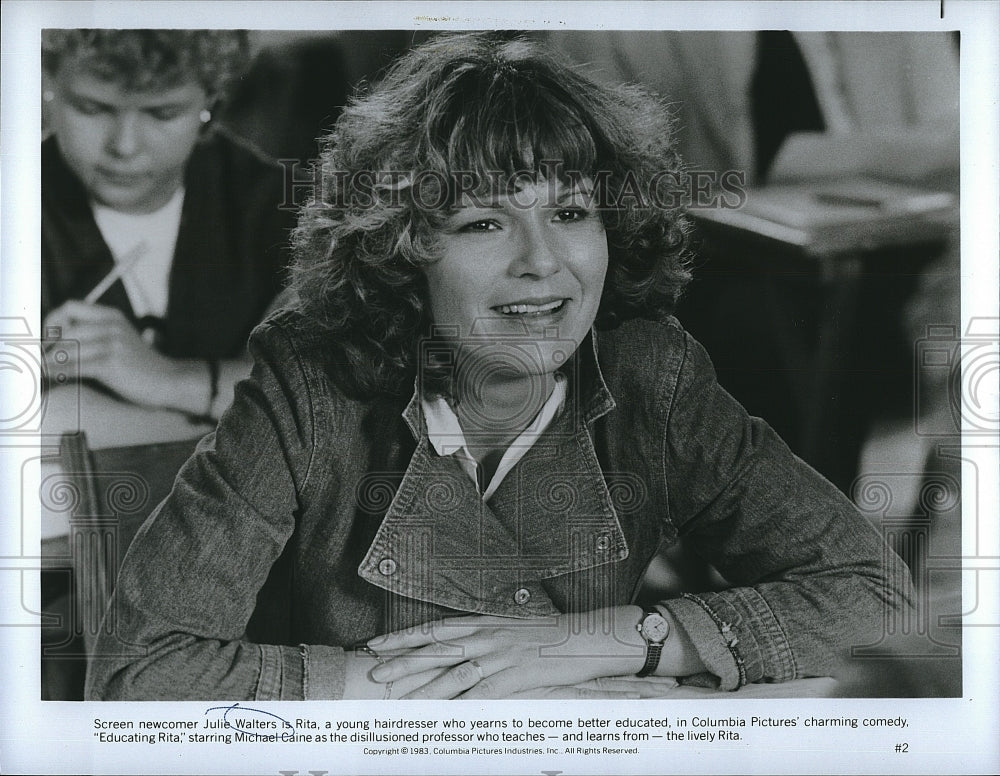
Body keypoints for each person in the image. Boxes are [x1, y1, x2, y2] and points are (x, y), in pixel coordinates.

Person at [86, 32, 912, 701]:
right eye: (484, 222)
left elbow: (877, 596)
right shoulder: (310, 379)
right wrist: (431, 679)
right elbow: (141, 673)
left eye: (572, 211)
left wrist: (594, 641)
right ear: (405, 244)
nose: (543, 263)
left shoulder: (649, 369)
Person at [41, 29, 294, 421]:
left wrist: (167, 378)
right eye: (92, 108)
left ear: (212, 101)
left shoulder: (284, 210)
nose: (124, 147)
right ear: (48, 84)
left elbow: (319, 401)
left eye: (162, 113)